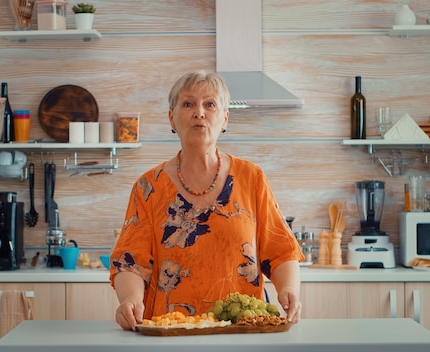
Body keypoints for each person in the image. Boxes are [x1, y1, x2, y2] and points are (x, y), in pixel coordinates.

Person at [109, 71, 303, 331]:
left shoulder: (252, 178)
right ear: (172, 118)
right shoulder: (148, 187)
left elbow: (280, 251)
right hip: (170, 333)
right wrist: (131, 299)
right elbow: (130, 262)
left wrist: (289, 289)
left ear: (224, 118)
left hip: (243, 330)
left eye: (210, 104)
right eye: (188, 104)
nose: (199, 112)